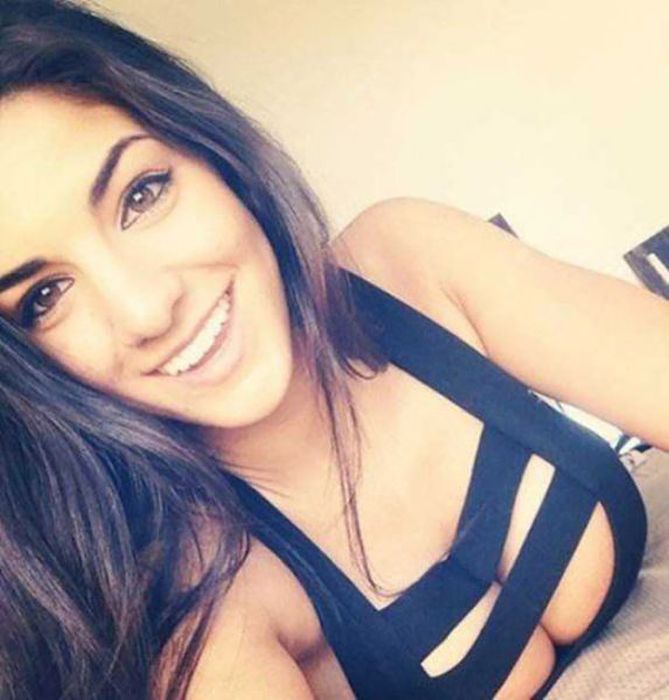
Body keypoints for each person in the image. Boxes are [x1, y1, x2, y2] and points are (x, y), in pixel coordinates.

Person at [0, 1, 666, 698]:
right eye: (46, 296)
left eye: (141, 195)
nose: (145, 309)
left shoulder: (408, 265)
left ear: (212, 152)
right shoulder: (198, 598)